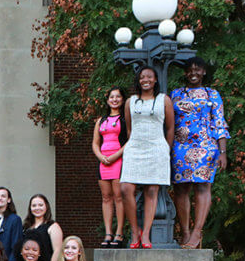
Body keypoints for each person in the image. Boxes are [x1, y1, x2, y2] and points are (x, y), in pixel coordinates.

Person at [172, 57, 230, 249]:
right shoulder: (176, 94)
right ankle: (185, 231)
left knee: (202, 186)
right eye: (189, 70)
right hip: (180, 147)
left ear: (204, 72)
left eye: (197, 69)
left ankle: (197, 232)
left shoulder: (211, 94)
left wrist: (223, 151)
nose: (193, 73)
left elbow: (219, 122)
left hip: (206, 146)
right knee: (181, 188)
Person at [121, 65, 175, 249]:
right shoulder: (131, 101)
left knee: (152, 191)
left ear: (155, 80)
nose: (146, 80)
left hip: (157, 148)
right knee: (126, 188)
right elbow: (129, 128)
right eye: (142, 77)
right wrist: (134, 144)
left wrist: (165, 149)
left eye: (149, 77)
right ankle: (135, 230)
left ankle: (145, 234)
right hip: (135, 147)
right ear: (138, 80)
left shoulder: (164, 100)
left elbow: (170, 128)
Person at [91, 87, 128, 248]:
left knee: (119, 196)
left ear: (122, 99)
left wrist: (115, 156)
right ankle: (108, 232)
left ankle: (119, 232)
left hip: (118, 159)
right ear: (107, 100)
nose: (114, 99)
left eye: (118, 96)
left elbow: (129, 141)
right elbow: (95, 142)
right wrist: (100, 156)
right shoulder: (101, 120)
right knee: (106, 198)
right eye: (111, 97)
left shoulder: (125, 119)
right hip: (103, 161)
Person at [17, 194, 63, 261]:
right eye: (34, 205)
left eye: (40, 205)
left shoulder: (53, 226)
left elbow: (57, 251)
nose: (37, 208)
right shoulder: (26, 227)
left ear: (46, 207)